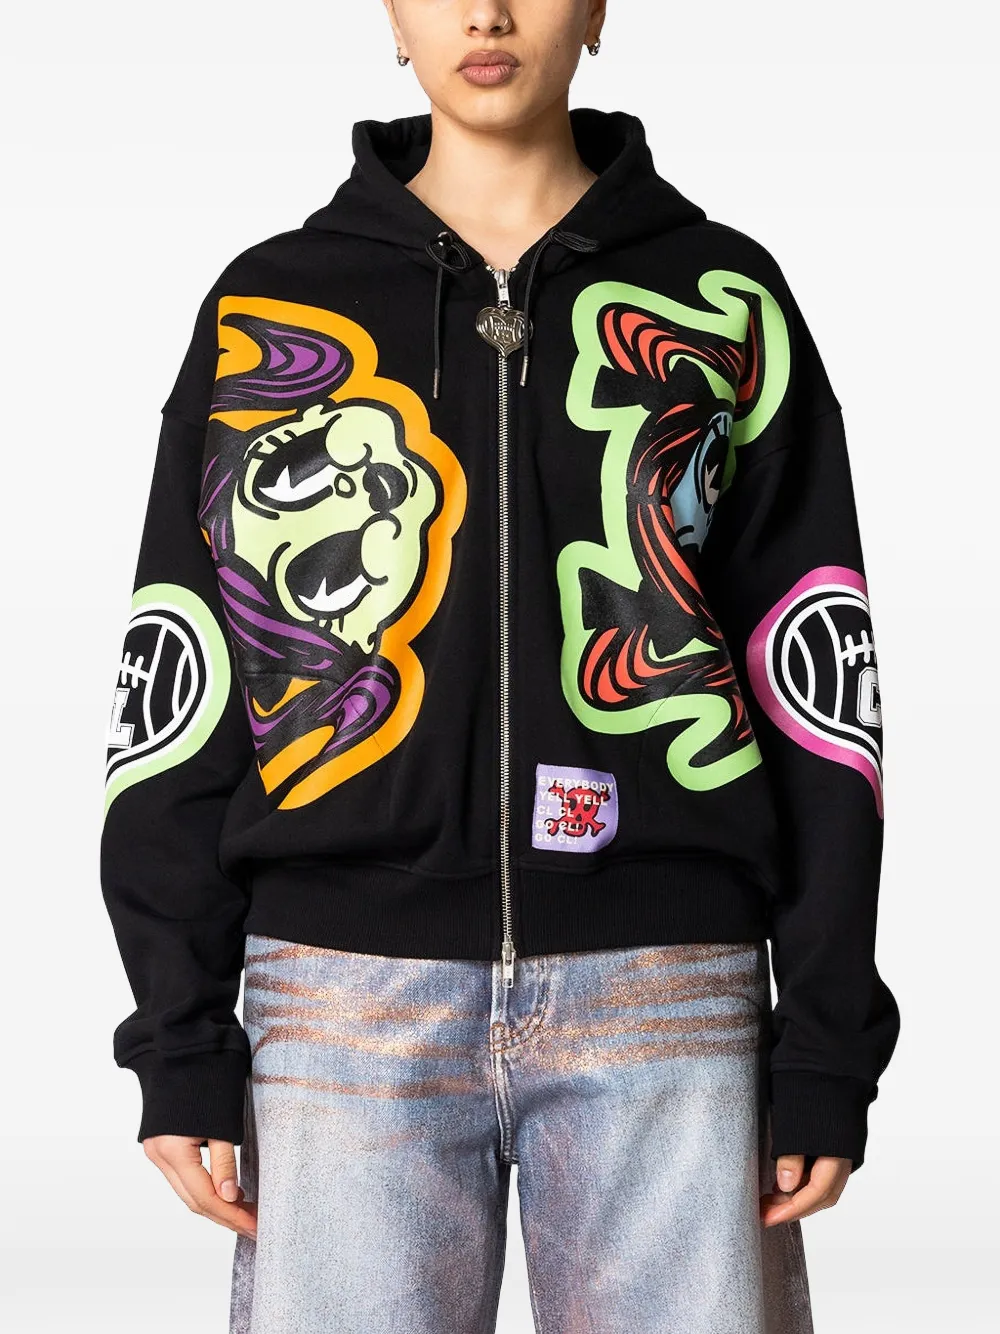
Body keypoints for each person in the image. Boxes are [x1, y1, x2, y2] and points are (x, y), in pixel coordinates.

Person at [100, 2, 901, 1330]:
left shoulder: (721, 298)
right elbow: (188, 659)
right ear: (390, 14)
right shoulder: (271, 308)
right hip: (342, 993)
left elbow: (814, 677)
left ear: (597, 10)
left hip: (666, 988)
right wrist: (179, 1032)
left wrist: (825, 1035)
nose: (485, 13)